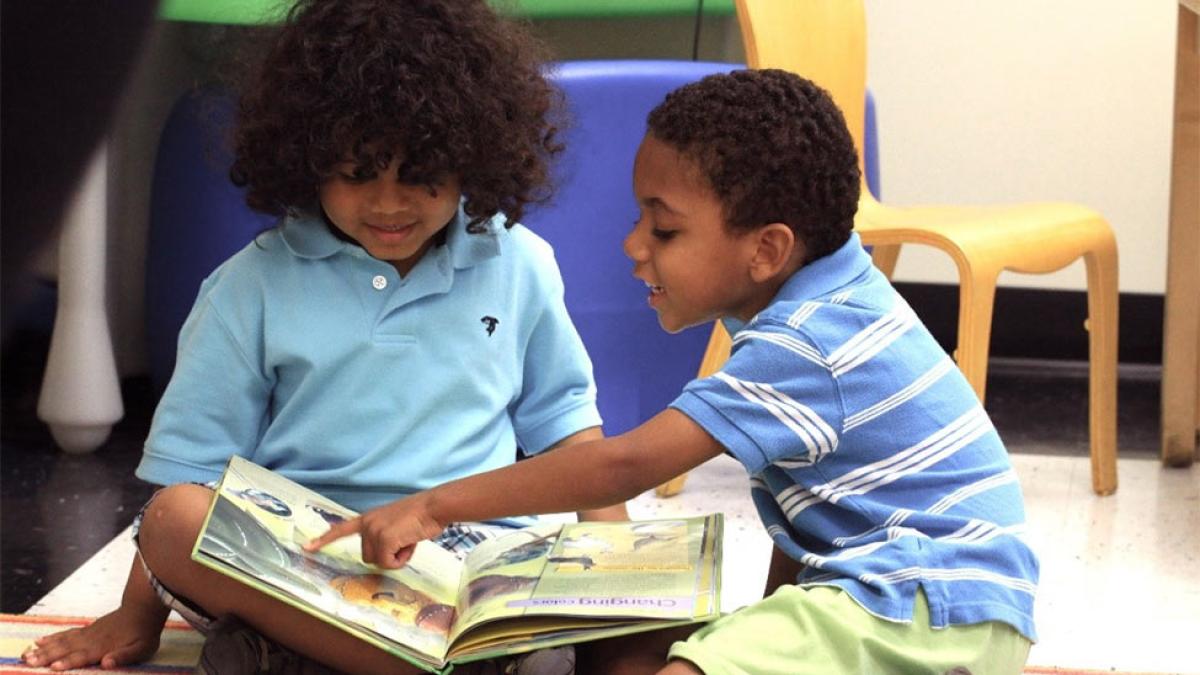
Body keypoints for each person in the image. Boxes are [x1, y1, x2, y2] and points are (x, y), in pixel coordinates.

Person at [307, 69, 1040, 675]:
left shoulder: (804, 343)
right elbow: (807, 527)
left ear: (767, 249)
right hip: (939, 604)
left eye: (663, 228)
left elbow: (620, 465)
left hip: (921, 602)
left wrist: (433, 506)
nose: (633, 245)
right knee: (699, 646)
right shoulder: (834, 295)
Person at [21, 1, 626, 673]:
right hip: (309, 562)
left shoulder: (522, 264)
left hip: (469, 561)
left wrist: (622, 581)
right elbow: (190, 473)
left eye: (420, 173)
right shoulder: (248, 288)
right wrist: (137, 614)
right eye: (358, 172)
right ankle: (409, 659)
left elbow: (572, 436)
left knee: (598, 615)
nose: (389, 203)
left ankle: (306, 656)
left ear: (473, 156)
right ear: (306, 158)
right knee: (175, 518)